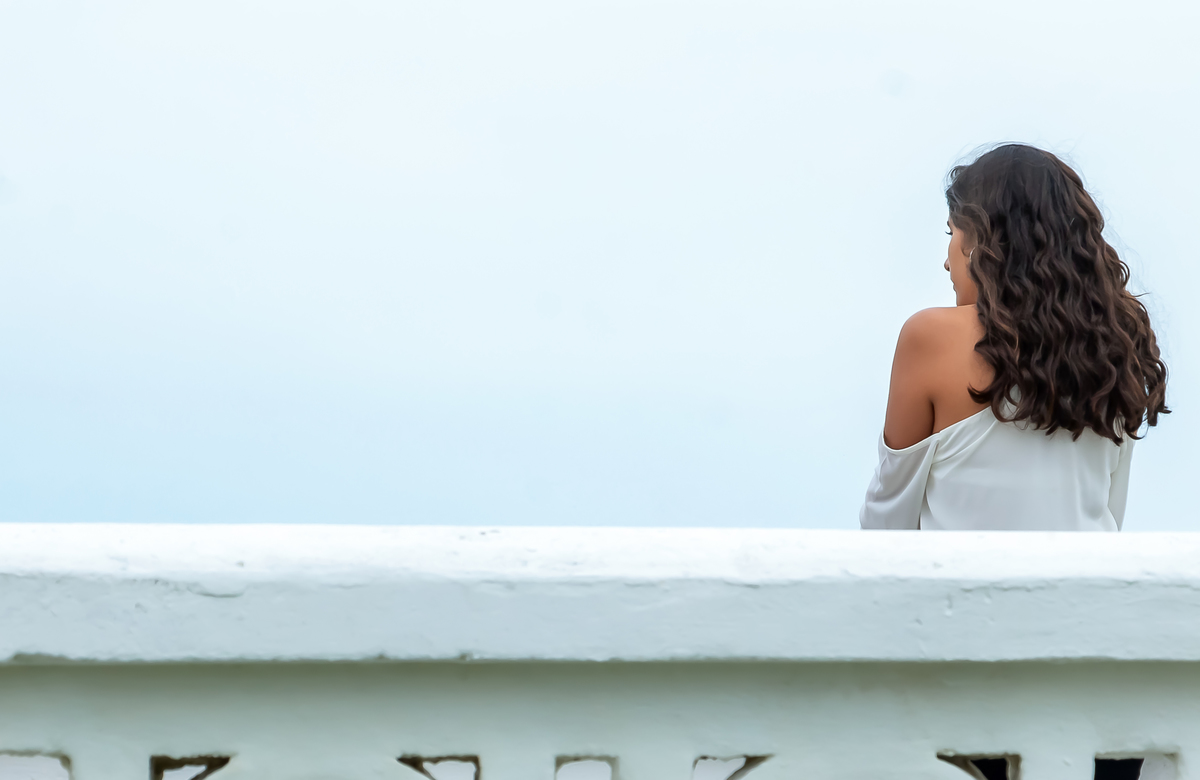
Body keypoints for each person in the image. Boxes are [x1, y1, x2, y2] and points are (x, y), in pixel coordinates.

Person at [860, 144, 1168, 531]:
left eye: (952, 232)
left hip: (960, 574)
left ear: (982, 240)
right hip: (1085, 572)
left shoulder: (930, 337)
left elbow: (886, 523)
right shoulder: (1115, 350)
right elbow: (1110, 513)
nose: (947, 261)